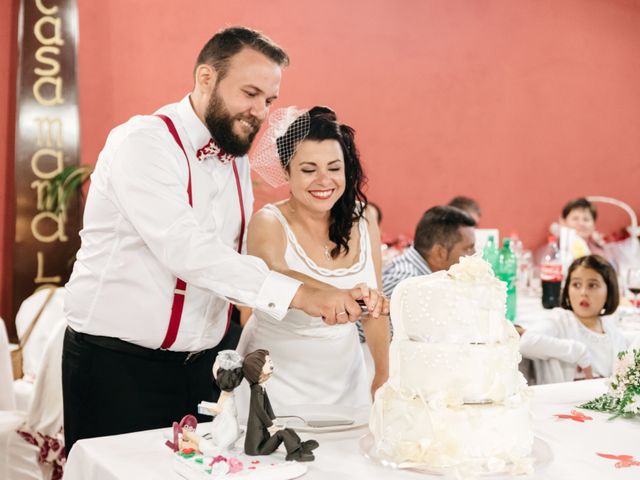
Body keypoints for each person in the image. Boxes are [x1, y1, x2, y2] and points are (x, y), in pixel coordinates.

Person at [62, 27, 381, 452]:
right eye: (249, 93)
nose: (259, 111)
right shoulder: (143, 143)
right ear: (205, 78)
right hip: (117, 365)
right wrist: (302, 294)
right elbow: (186, 250)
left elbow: (233, 256)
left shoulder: (233, 159)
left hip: (203, 370)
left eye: (269, 100)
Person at [237, 106, 390, 409]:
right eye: (309, 170)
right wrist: (335, 294)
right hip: (273, 382)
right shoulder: (268, 221)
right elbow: (274, 273)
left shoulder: (365, 218)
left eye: (334, 168)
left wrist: (382, 375)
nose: (324, 180)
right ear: (286, 171)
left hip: (345, 383)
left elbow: (375, 306)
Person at [519, 255, 628, 384]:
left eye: (592, 285)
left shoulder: (612, 332)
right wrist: (578, 351)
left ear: (609, 292)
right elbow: (526, 343)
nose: (583, 292)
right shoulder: (559, 319)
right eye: (576, 284)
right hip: (560, 402)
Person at [382, 205, 477, 299]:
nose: (475, 254)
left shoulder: (423, 279)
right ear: (440, 253)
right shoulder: (407, 284)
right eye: (468, 249)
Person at [243, 349, 318, 461]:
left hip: (263, 441)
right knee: (281, 433)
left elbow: (267, 406)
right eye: (268, 362)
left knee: (289, 430)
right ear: (257, 369)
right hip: (257, 449)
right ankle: (293, 453)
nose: (271, 365)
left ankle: (299, 446)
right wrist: (270, 425)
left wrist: (273, 419)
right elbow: (260, 411)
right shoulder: (255, 391)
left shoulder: (261, 388)